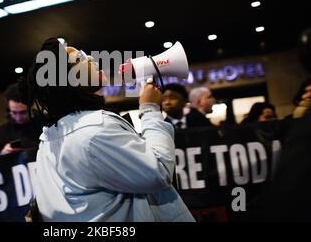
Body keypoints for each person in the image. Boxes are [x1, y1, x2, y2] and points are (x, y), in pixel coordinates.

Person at [28, 38, 194, 222]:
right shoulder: (95, 131)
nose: (90, 57)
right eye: (80, 57)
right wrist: (150, 110)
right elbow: (159, 172)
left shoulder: (52, 135)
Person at [0, 78, 43, 157]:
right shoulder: (2, 131)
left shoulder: (44, 126)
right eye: (14, 112)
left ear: (31, 107)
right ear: (9, 109)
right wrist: (2, 153)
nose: (18, 117)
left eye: (23, 112)